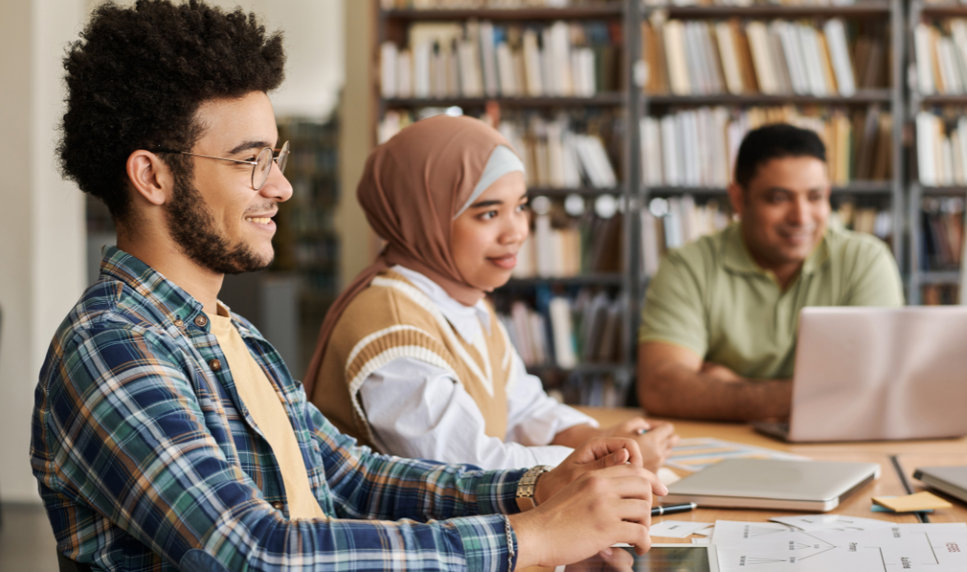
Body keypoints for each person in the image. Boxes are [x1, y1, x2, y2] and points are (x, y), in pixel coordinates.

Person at [31, 2, 666, 570]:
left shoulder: (233, 334)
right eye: (250, 161)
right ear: (152, 176)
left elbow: (350, 477)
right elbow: (256, 553)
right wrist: (531, 538)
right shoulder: (111, 349)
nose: (278, 187)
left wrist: (536, 490)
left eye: (274, 159)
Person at [304, 115, 677, 473]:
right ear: (424, 218)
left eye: (521, 207)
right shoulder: (390, 328)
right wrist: (602, 459)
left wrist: (603, 439)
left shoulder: (465, 302)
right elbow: (470, 469)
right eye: (488, 214)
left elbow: (525, 410)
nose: (515, 232)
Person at [636, 123, 904, 422]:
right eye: (778, 198)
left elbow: (877, 389)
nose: (801, 217)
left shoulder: (865, 261)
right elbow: (661, 387)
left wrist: (732, 386)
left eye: (815, 197)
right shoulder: (688, 266)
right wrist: (816, 394)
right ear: (739, 199)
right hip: (724, 452)